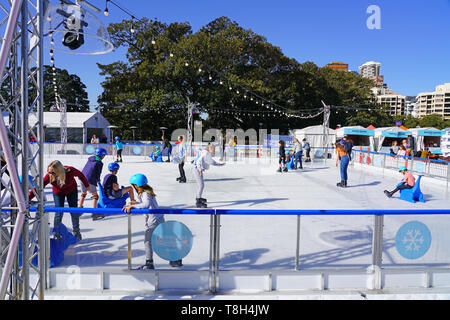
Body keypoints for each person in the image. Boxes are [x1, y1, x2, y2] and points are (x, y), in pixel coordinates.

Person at [122, 174, 182, 269]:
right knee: (162, 239)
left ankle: (149, 262)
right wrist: (137, 203)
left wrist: (133, 206)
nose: (133, 187)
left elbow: (146, 204)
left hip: (153, 220)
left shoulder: (145, 193)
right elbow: (147, 204)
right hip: (158, 218)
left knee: (148, 241)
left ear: (137, 185)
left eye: (133, 185)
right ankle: (175, 258)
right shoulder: (146, 192)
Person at [29, 160, 89, 240]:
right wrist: (28, 197)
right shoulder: (49, 176)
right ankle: (56, 233)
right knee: (59, 212)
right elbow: (38, 188)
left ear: (59, 171)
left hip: (71, 191)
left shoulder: (70, 171)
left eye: (53, 172)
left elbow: (80, 175)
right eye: (49, 172)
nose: (50, 174)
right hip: (58, 193)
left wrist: (87, 185)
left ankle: (76, 232)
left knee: (73, 211)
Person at [193, 144, 225, 208]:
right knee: (201, 186)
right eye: (213, 149)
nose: (214, 151)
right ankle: (198, 201)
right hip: (197, 169)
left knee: (201, 185)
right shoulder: (206, 154)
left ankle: (198, 198)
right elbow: (198, 161)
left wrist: (220, 164)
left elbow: (212, 162)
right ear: (210, 149)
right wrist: (200, 170)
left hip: (198, 169)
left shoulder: (207, 154)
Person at [79, 147, 107, 221]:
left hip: (82, 178)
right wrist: (98, 181)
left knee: (83, 193)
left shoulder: (90, 159)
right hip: (90, 180)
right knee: (95, 196)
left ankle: (79, 209)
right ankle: (94, 213)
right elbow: (98, 173)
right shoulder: (99, 163)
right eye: (104, 155)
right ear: (101, 155)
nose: (104, 157)